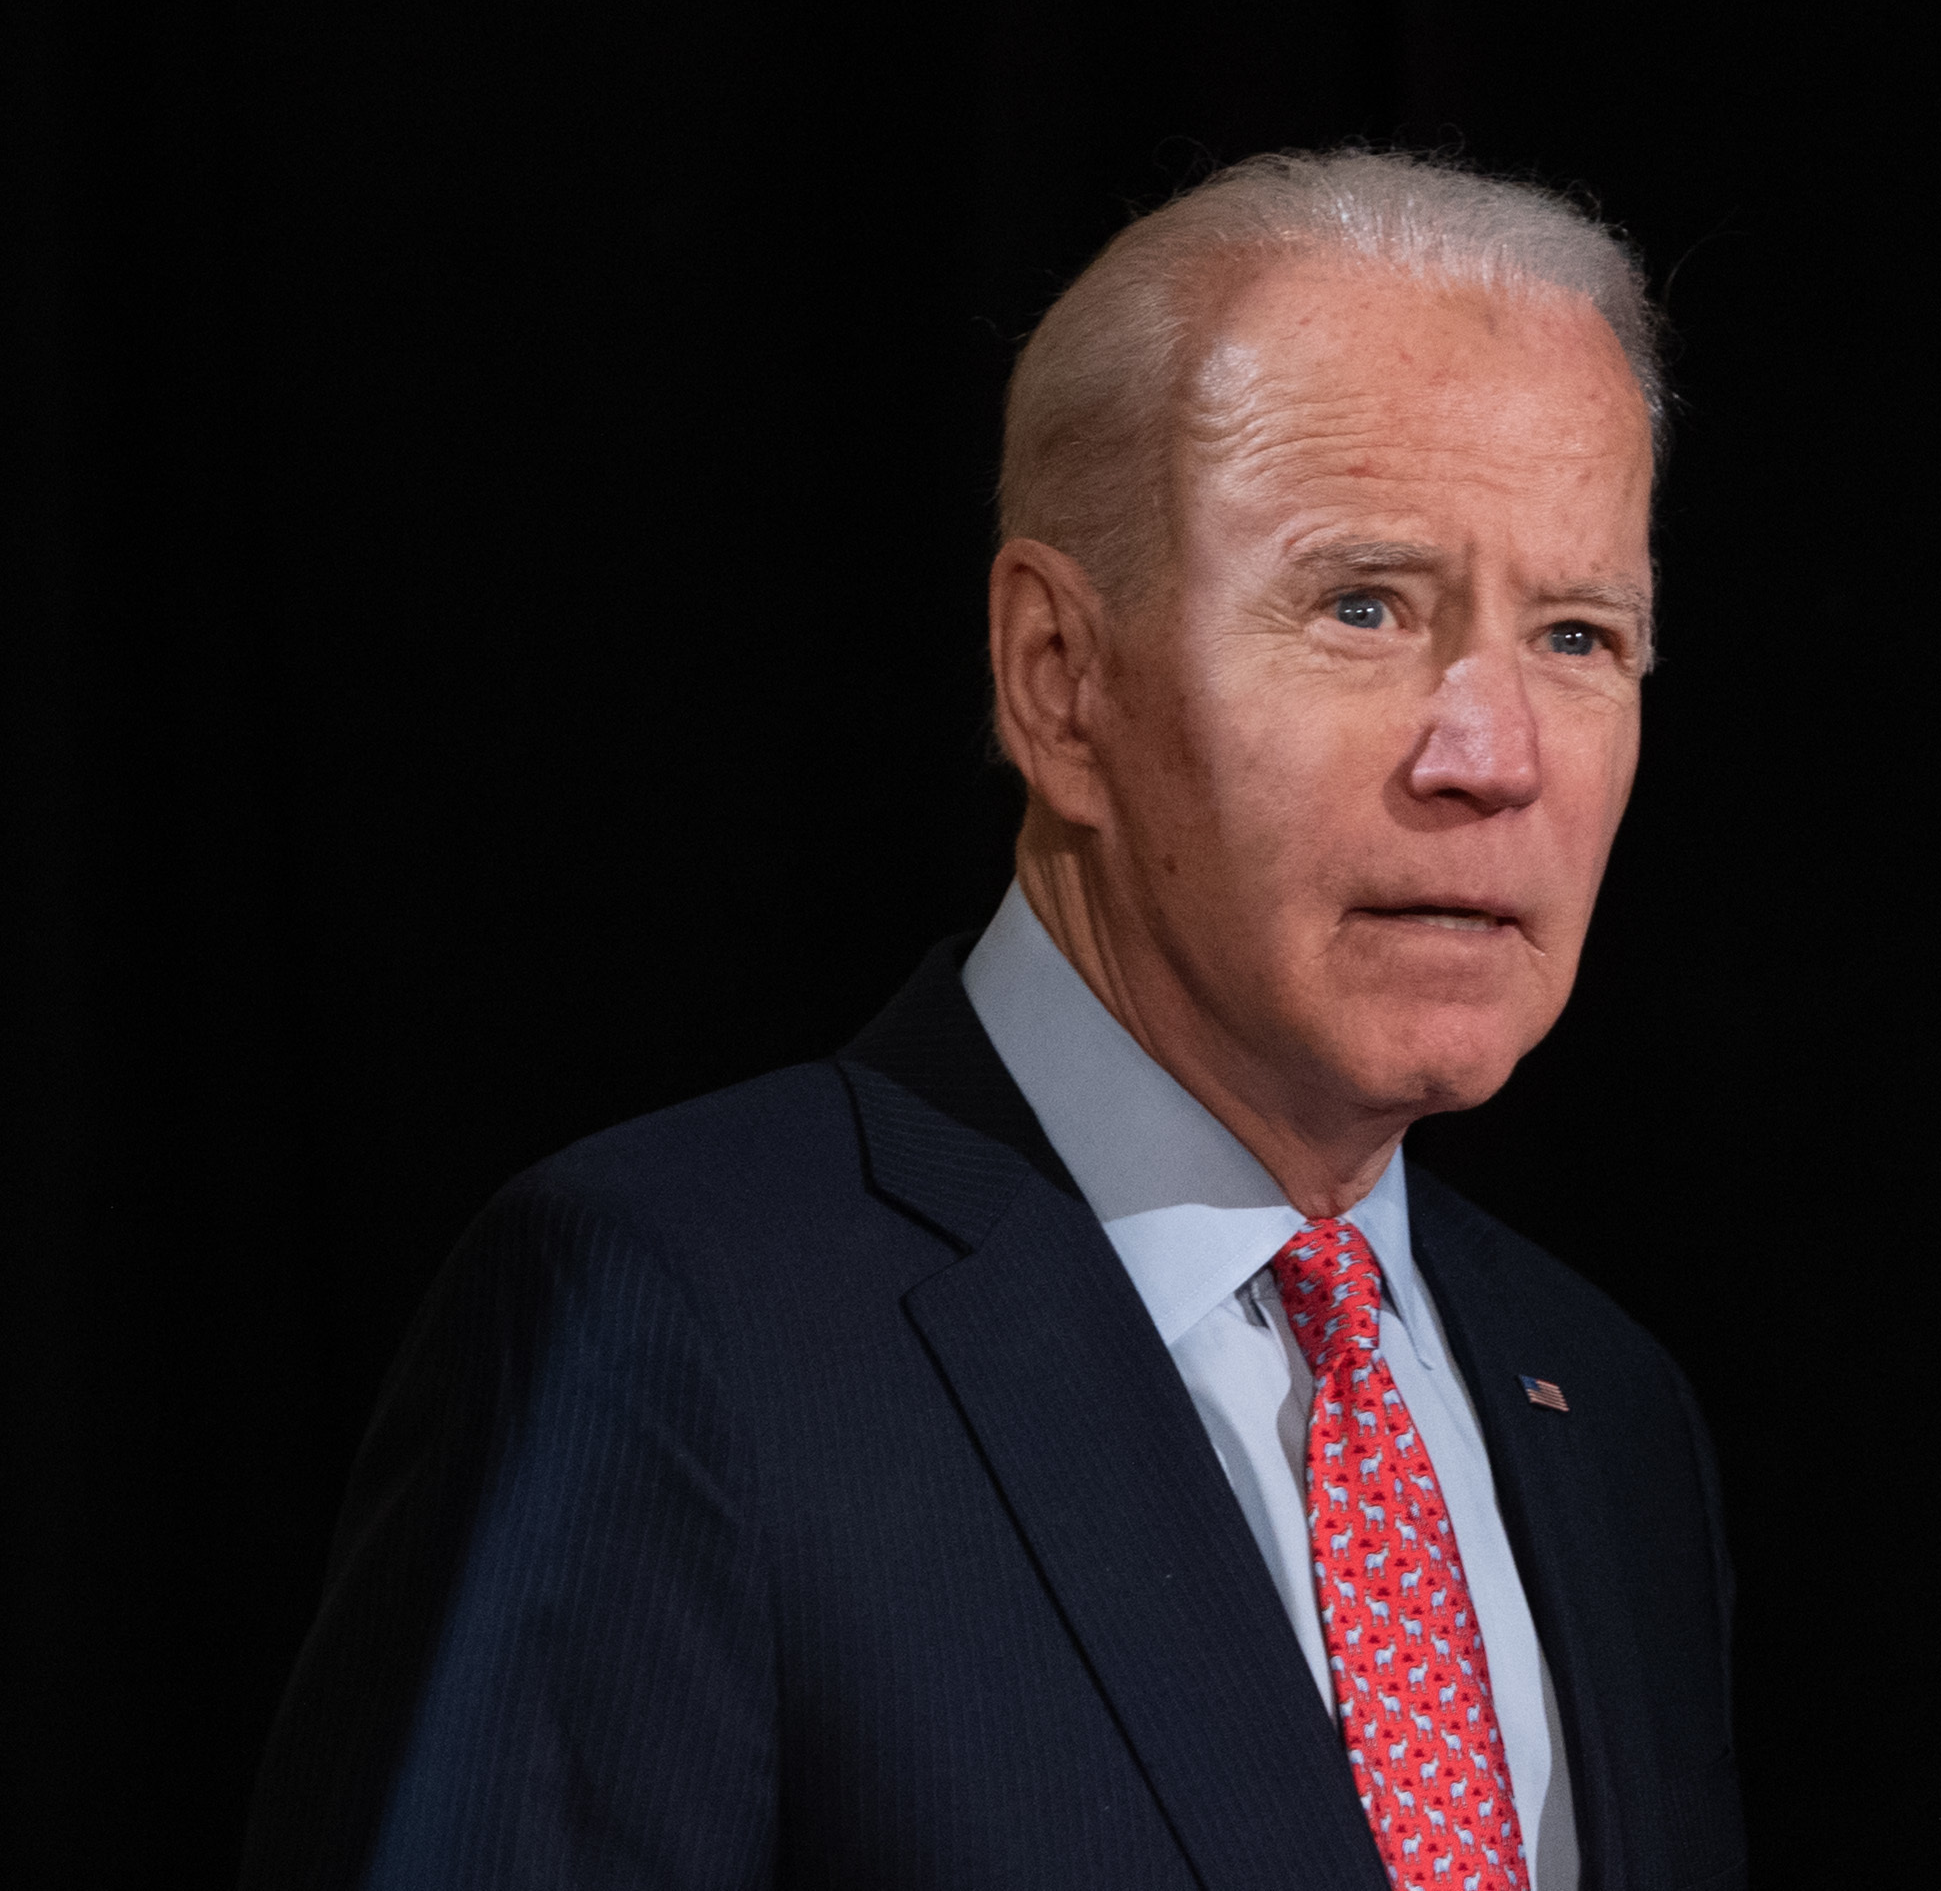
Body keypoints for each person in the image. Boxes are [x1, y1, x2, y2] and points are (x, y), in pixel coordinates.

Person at [241, 153, 1743, 1891]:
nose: (1494, 757)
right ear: (1058, 676)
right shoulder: (675, 1331)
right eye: (1363, 607)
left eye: (1576, 633)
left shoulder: (1608, 1413)